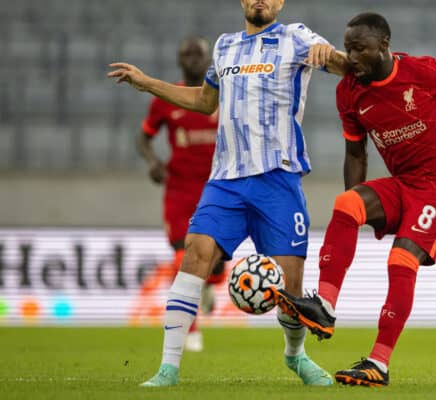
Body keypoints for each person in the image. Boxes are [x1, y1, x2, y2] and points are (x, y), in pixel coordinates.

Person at [275, 12, 436, 387]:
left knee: (401, 259)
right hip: (403, 184)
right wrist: (353, 219)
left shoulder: (420, 72)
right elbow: (356, 155)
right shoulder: (348, 91)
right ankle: (325, 306)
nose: (352, 57)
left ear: (384, 46)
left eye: (360, 49)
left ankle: (378, 362)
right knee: (346, 205)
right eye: (348, 49)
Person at [108, 0, 348, 387]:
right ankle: (168, 368)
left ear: (280, 2)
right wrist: (147, 82)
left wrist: (331, 55)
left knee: (290, 286)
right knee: (196, 253)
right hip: (226, 181)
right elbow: (205, 102)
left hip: (279, 180)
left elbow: (346, 68)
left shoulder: (298, 38)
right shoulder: (224, 46)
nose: (261, 0)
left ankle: (295, 356)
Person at [131, 37, 227, 352]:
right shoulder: (165, 99)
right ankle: (191, 328)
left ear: (208, 58)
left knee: (214, 266)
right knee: (181, 256)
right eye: (186, 54)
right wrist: (153, 162)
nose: (193, 60)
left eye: (198, 54)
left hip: (217, 187)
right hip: (180, 190)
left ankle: (208, 288)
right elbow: (143, 139)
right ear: (179, 60)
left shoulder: (224, 94)